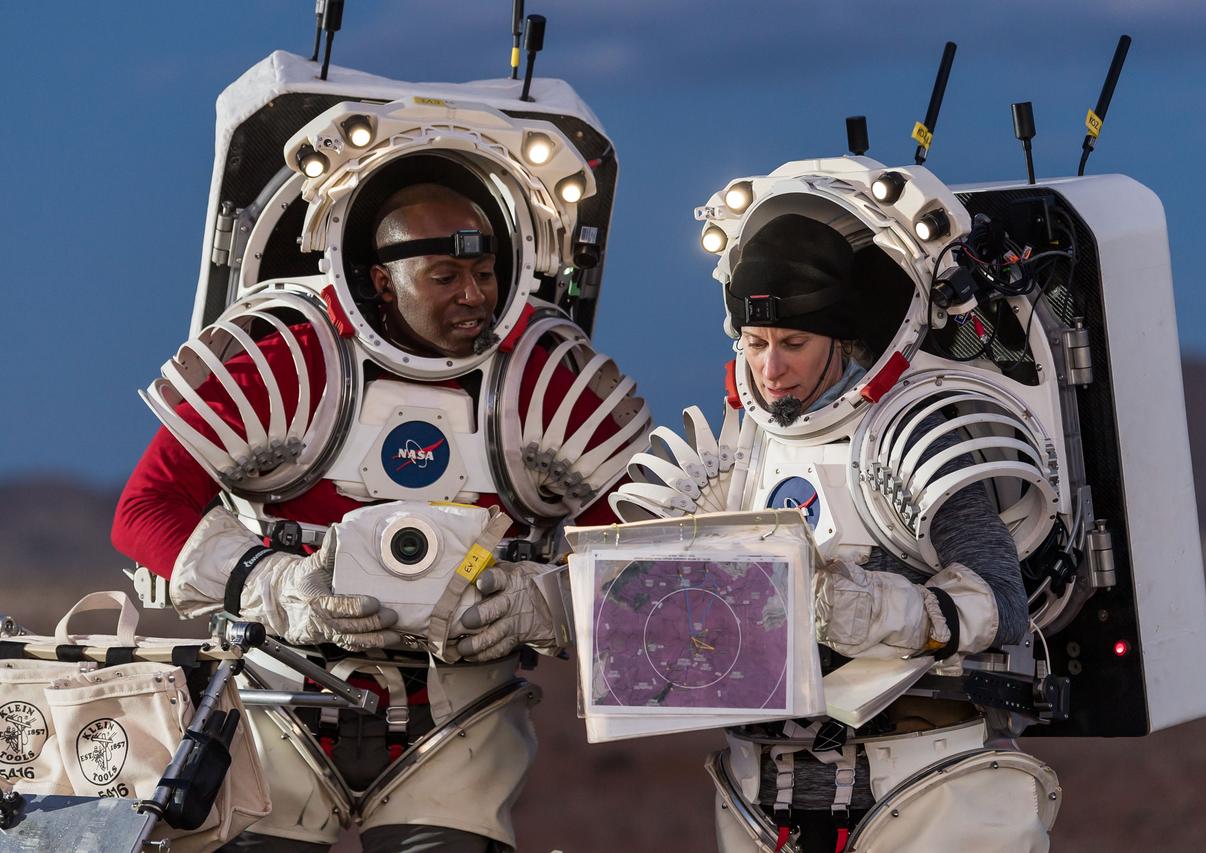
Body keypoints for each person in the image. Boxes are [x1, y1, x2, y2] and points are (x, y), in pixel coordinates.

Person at [113, 181, 645, 852]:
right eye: (445, 275)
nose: (474, 294)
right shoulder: (288, 362)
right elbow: (144, 509)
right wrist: (272, 583)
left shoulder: (549, 384)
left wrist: (547, 599)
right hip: (280, 699)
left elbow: (642, 560)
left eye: (485, 274)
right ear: (381, 280)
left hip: (461, 716)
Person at [615, 213, 1054, 852]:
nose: (770, 368)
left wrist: (874, 607)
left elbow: (1004, 604)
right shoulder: (736, 454)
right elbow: (634, 600)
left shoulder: (912, 436)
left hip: (921, 784)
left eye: (792, 343)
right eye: (755, 343)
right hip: (764, 792)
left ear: (842, 340)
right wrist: (551, 609)